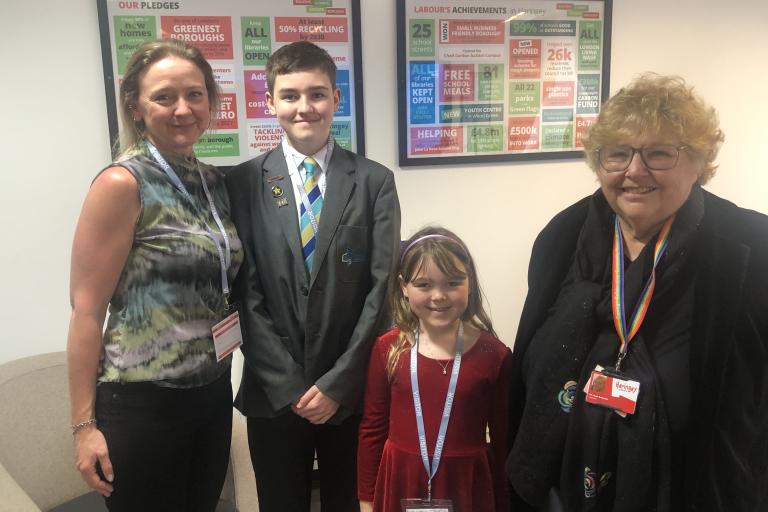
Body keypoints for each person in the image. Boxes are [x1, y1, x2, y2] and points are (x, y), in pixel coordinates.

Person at [506, 73, 768, 511]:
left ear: (699, 162)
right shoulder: (561, 238)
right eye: (618, 154)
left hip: (693, 492)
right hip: (564, 491)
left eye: (659, 154)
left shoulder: (750, 249)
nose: (634, 171)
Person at [66, 39, 243, 511]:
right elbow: (86, 310)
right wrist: (84, 428)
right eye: (165, 96)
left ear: (210, 101)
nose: (182, 109)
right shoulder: (122, 184)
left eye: (195, 94)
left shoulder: (213, 182)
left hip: (210, 392)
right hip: (141, 400)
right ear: (136, 107)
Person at [226, 40, 401, 512]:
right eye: (290, 95)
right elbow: (244, 293)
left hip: (349, 393)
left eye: (317, 94)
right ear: (270, 103)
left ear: (337, 99)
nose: (304, 107)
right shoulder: (242, 183)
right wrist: (289, 387)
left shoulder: (373, 181)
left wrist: (336, 385)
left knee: (347, 502)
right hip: (273, 393)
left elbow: (381, 291)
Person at [358, 227, 512, 512]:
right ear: (404, 286)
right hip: (401, 480)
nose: (439, 296)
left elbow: (503, 440)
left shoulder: (495, 355)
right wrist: (367, 502)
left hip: (467, 483)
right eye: (424, 285)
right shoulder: (388, 349)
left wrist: (502, 502)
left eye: (452, 283)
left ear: (469, 282)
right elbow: (372, 429)